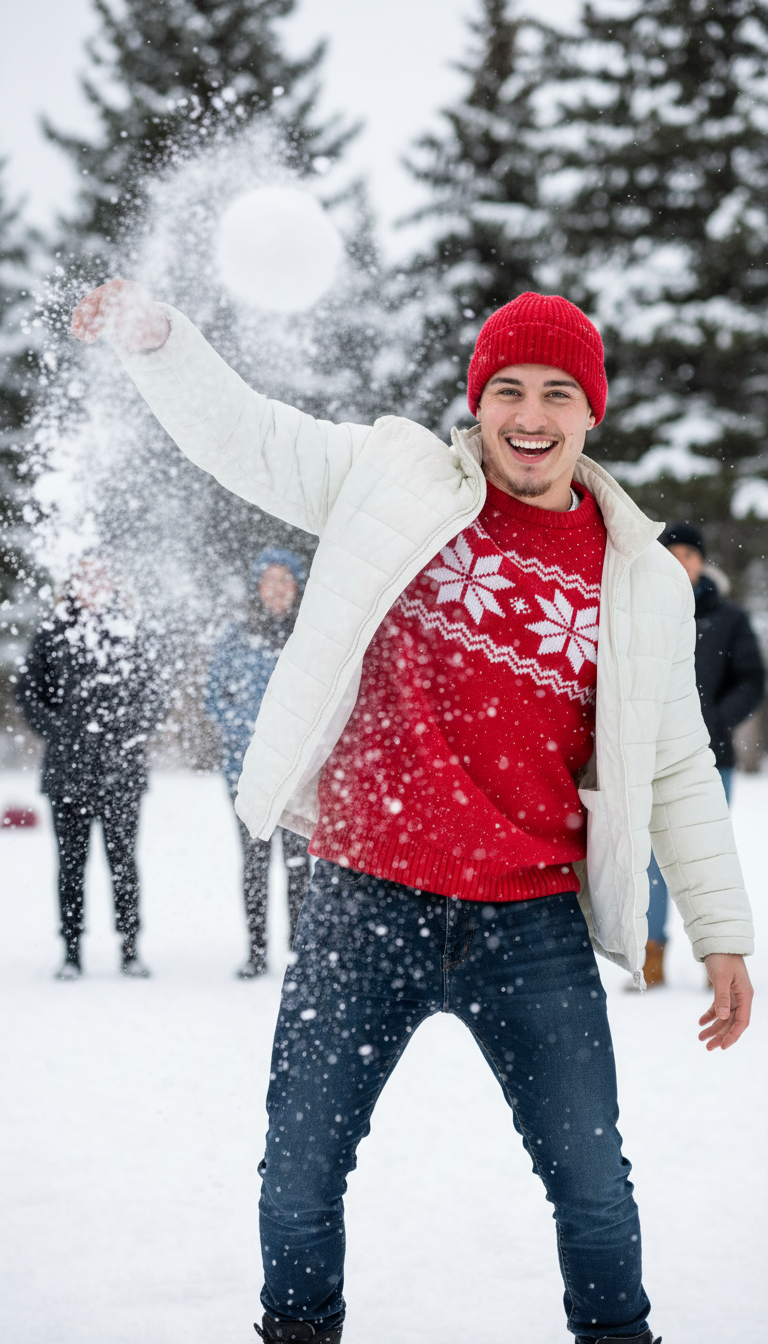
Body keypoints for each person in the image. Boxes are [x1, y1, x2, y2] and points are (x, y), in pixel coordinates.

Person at [71, 280, 755, 1344]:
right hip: (362, 900)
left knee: (592, 1185)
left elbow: (675, 765)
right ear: (477, 400)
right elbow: (252, 438)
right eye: (509, 390)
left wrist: (719, 933)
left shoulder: (640, 579)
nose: (530, 417)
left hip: (531, 926)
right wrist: (164, 345)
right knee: (299, 1176)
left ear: (593, 412)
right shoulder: (389, 478)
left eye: (558, 394)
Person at [17, 557, 163, 979]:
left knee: (123, 863)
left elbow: (153, 697)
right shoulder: (53, 632)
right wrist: (62, 732)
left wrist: (126, 734)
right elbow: (29, 694)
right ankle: (71, 951)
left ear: (113, 583)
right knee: (70, 863)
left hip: (122, 774)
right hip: (67, 775)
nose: (92, 584)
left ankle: (131, 948)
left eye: (101, 575)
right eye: (85, 576)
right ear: (73, 583)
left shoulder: (131, 631)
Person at [639, 522, 764, 987]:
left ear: (701, 562)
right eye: (672, 553)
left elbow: (751, 679)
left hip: (714, 758)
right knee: (650, 860)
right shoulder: (642, 610)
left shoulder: (728, 617)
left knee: (705, 854)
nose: (680, 562)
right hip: (651, 756)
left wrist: (715, 718)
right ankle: (652, 952)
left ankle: (720, 954)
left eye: (689, 554)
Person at [206, 547, 310, 977]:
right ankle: (255, 951)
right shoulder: (234, 638)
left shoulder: (310, 636)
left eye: (285, 581)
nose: (277, 590)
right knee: (254, 864)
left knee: (300, 865)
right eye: (269, 581)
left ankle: (298, 952)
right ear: (257, 588)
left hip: (301, 775)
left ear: (297, 588)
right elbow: (216, 699)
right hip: (247, 774)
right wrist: (249, 738)